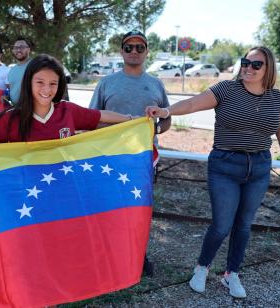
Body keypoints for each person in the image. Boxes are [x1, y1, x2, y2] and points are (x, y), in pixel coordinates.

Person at [147, 46, 280, 298]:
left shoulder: (276, 97)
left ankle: (231, 274)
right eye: (245, 62)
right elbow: (194, 103)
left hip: (259, 167)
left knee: (244, 225)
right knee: (221, 225)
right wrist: (166, 111)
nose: (248, 67)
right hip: (225, 165)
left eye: (255, 64)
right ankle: (202, 268)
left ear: (268, 68)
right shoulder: (227, 89)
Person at [89, 29, 172, 277]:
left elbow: (166, 122)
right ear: (121, 51)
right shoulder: (106, 83)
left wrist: (156, 123)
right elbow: (92, 119)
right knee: (109, 208)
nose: (134, 52)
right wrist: (124, 124)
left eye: (139, 47)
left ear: (146, 52)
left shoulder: (156, 84)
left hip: (142, 159)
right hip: (110, 158)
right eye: (129, 47)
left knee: (139, 208)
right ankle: (107, 257)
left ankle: (138, 256)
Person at [0, 54, 135, 148]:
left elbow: (101, 116)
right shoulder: (10, 118)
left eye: (53, 83)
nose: (46, 89)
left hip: (63, 190)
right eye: (40, 82)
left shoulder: (67, 110)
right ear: (29, 82)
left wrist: (132, 119)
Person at [5, 37, 32, 104]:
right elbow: (14, 91)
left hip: (32, 110)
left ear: (29, 49)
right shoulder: (12, 70)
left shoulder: (35, 66)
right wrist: (7, 97)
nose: (18, 50)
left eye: (22, 47)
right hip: (16, 110)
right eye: (16, 48)